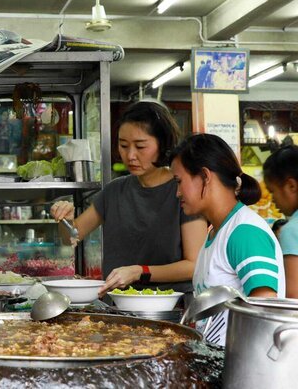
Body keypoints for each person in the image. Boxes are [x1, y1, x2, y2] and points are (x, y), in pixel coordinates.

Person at [50, 100, 207, 296]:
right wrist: (64, 218)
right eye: (123, 145)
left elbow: (194, 265)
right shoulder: (114, 190)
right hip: (118, 306)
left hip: (171, 307)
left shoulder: (182, 191)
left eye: (140, 146)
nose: (130, 155)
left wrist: (140, 272)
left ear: (163, 144)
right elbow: (72, 237)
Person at [170, 133, 284, 346]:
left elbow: (266, 309)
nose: (177, 193)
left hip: (244, 370)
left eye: (179, 181)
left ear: (205, 176)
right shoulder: (215, 232)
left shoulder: (244, 232)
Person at [263, 144, 298, 298]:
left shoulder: (291, 231)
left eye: (272, 191)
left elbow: (294, 299)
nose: (273, 200)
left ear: (291, 186)